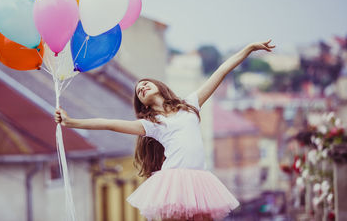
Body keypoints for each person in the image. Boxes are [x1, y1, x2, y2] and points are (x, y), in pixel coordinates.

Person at [55, 39, 275, 221]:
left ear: (159, 86)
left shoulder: (191, 105)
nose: (141, 86)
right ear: (143, 104)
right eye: (139, 90)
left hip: (200, 181)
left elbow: (221, 71)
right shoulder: (152, 124)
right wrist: (71, 122)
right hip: (174, 182)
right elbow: (108, 123)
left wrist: (249, 49)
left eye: (145, 83)